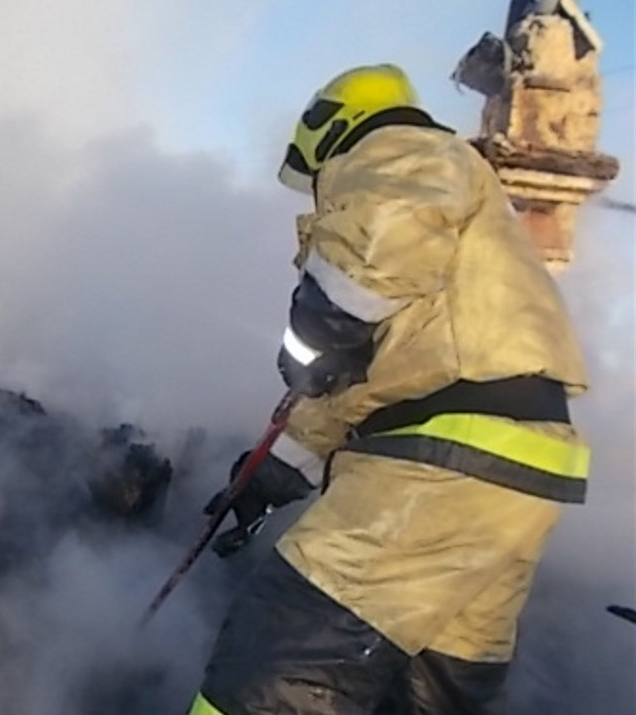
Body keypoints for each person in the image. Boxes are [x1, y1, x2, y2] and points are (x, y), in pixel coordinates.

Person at [188, 64, 590, 714]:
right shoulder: (461, 253)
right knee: (426, 693)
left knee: (277, 666)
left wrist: (317, 327)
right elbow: (366, 385)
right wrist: (268, 477)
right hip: (514, 472)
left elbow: (358, 286)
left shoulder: (402, 149)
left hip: (439, 462)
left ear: (331, 128)